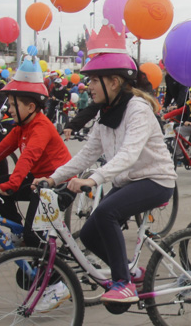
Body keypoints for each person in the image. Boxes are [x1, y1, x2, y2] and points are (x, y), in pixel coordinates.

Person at [34, 48, 176, 303]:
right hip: (128, 181)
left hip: (156, 180)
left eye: (93, 80)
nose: (89, 86)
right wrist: (54, 178)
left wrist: (93, 179)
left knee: (105, 212)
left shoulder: (138, 109)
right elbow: (86, 154)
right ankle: (131, 272)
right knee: (89, 234)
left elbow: (129, 154)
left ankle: (124, 283)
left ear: (114, 82)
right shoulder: (105, 113)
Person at [0, 58, 71, 252]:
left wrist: (11, 186)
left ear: (30, 108)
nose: (9, 109)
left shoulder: (41, 126)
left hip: (59, 183)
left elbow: (28, 158)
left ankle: (54, 280)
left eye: (13, 105)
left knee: (33, 235)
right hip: (38, 180)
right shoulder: (22, 126)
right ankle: (17, 234)